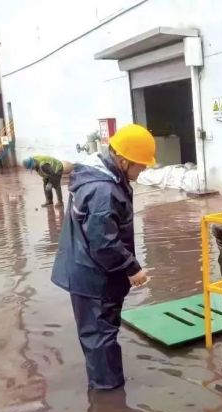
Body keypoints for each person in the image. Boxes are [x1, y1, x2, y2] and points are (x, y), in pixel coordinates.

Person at [51, 124, 156, 390]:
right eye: (141, 165)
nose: (143, 170)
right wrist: (132, 268)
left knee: (100, 334)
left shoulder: (104, 176)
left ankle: (104, 389)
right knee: (100, 337)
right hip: (92, 277)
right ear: (124, 161)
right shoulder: (103, 190)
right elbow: (104, 242)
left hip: (90, 270)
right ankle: (108, 397)